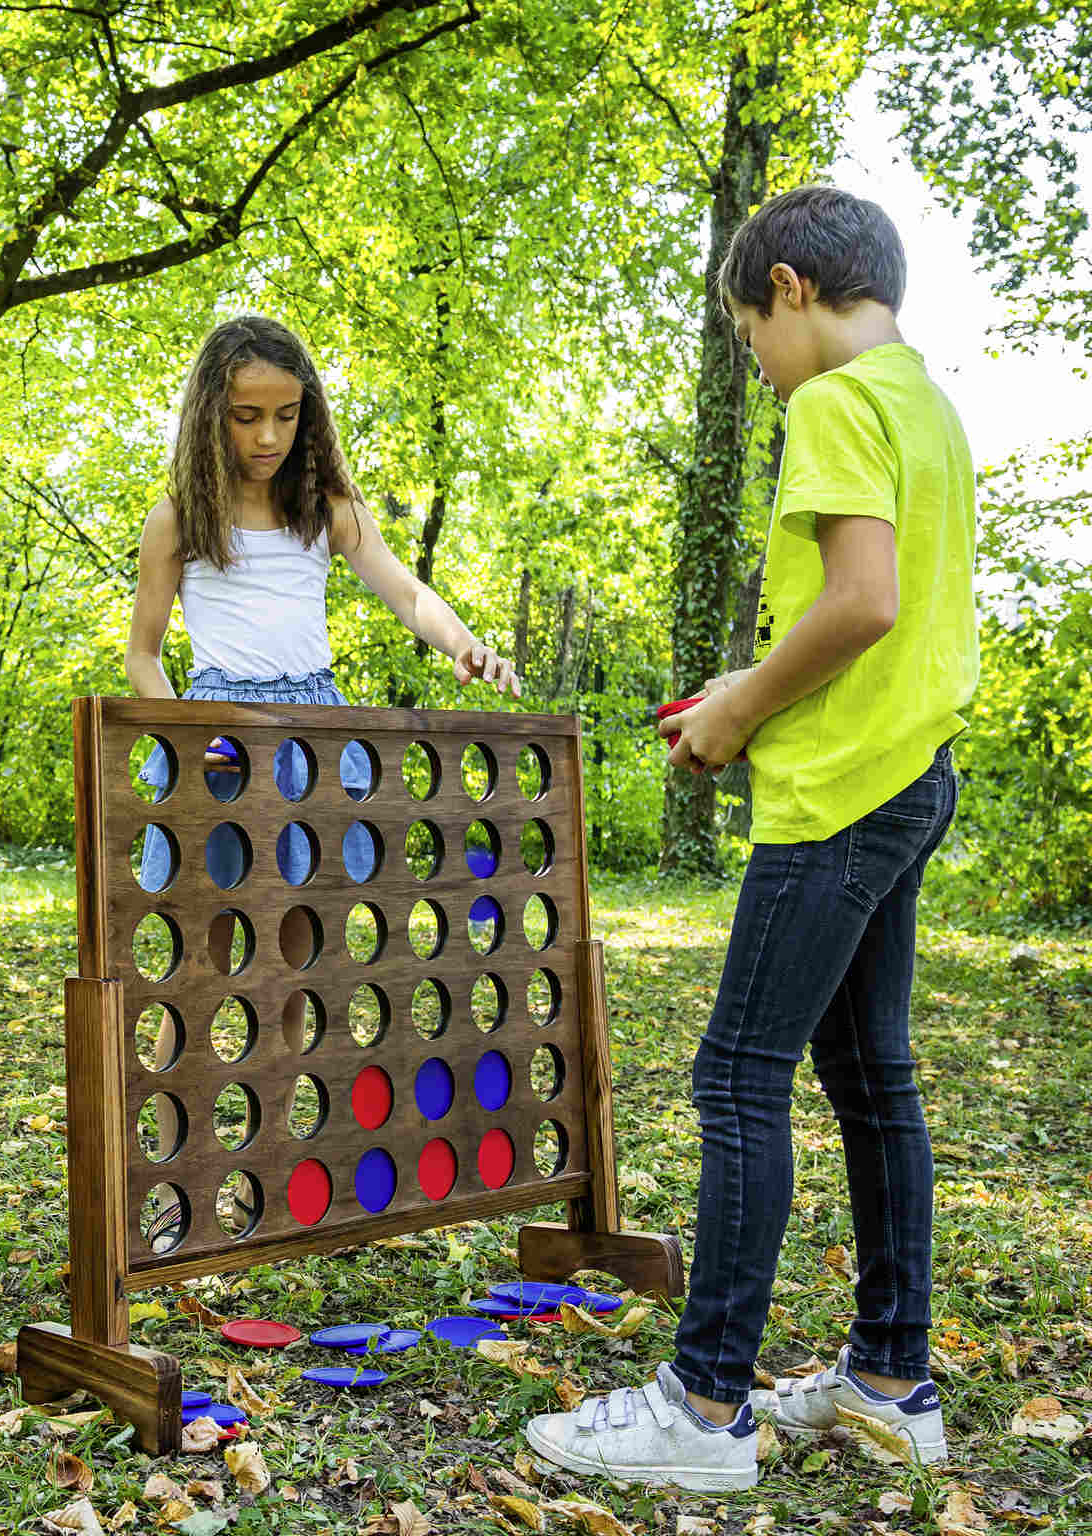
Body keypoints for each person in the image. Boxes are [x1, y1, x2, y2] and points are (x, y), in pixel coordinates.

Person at [525, 186, 975, 1492]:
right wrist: (746, 694)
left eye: (747, 340)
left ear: (786, 289)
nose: (759, 370)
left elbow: (864, 602)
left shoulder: (832, 402)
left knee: (736, 1078)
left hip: (838, 797)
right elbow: (888, 608)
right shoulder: (929, 408)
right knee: (871, 1077)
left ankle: (704, 1408)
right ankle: (895, 1380)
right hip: (911, 773)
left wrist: (738, 708)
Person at [125, 316, 518, 1239]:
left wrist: (459, 639)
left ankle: (280, 1139)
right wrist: (194, 737)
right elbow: (143, 655)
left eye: (287, 415)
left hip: (315, 736)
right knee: (208, 949)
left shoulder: (325, 507)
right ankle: (169, 1138)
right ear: (209, 417)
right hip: (219, 739)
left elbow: (404, 588)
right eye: (246, 416)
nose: (267, 437)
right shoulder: (178, 518)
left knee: (305, 950)